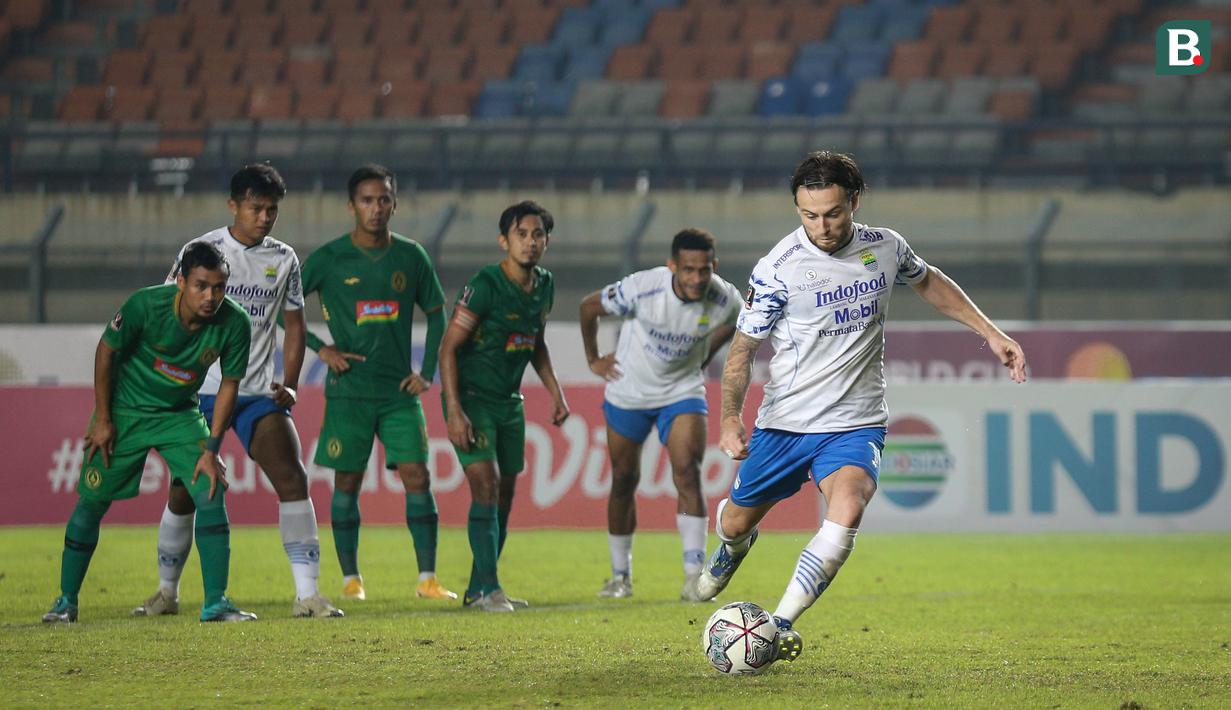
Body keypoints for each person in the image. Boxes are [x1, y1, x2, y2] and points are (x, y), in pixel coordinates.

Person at [689, 151, 1028, 663]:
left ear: (854, 201)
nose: (821, 227)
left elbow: (929, 281)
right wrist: (732, 417)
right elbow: (743, 351)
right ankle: (731, 549)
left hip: (856, 421)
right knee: (736, 522)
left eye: (832, 213)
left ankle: (777, 627)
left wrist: (992, 333)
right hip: (784, 425)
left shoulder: (885, 247)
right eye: (808, 215)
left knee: (847, 508)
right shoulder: (778, 269)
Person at [133, 164, 342, 620]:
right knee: (186, 491)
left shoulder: (285, 259)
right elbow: (169, 316)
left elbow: (294, 326)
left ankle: (307, 594)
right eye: (255, 208)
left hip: (254, 392)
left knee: (293, 477)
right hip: (198, 392)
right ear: (234, 205)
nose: (265, 217)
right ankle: (167, 592)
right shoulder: (200, 252)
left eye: (272, 210)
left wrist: (288, 382)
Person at [43, 242, 256, 623]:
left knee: (211, 488)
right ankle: (65, 602)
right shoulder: (144, 305)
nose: (211, 297)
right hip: (125, 411)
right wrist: (104, 419)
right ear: (180, 282)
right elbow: (106, 350)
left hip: (179, 413)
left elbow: (228, 386)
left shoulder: (235, 323)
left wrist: (212, 448)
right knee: (91, 502)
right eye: (201, 286)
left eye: (219, 287)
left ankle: (215, 603)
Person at [298, 164, 454, 603]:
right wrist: (319, 347)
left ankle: (427, 579)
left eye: (384, 199)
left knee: (417, 476)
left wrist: (427, 374)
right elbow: (283, 308)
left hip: (398, 394)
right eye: (367, 200)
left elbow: (438, 312)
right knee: (346, 482)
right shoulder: (329, 258)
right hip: (349, 393)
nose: (376, 208)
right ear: (351, 206)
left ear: (394, 204)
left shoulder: (411, 256)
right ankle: (351, 580)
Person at [579, 228, 742, 600]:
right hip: (629, 390)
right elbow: (589, 307)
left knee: (687, 472)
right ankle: (620, 576)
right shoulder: (643, 288)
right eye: (688, 270)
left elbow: (740, 321)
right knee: (623, 478)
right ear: (672, 267)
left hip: (681, 390)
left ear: (713, 266)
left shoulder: (724, 297)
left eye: (704, 270)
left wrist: (705, 353)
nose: (697, 278)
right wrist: (593, 359)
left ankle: (692, 577)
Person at [439, 200, 570, 613]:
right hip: (473, 400)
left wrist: (555, 391)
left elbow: (536, 342)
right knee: (486, 484)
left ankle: (480, 589)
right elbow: (447, 349)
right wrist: (455, 410)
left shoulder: (544, 285)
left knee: (505, 495)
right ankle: (490, 588)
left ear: (547, 242)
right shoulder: (484, 285)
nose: (530, 243)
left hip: (509, 403)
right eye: (521, 235)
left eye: (538, 235)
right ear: (504, 240)